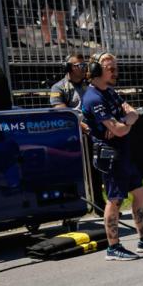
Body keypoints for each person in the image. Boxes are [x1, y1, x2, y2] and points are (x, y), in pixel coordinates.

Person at [80, 53, 143, 260]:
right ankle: (113, 247)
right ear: (97, 71)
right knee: (115, 200)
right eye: (111, 69)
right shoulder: (93, 98)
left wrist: (124, 121)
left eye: (115, 68)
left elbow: (133, 113)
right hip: (110, 156)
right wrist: (125, 123)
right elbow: (119, 129)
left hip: (123, 154)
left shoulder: (110, 91)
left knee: (140, 193)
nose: (116, 72)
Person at [51, 53, 104, 212]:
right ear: (68, 68)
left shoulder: (90, 85)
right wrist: (81, 126)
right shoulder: (58, 87)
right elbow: (62, 112)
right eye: (79, 66)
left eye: (84, 65)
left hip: (91, 134)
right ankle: (72, 208)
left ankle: (99, 204)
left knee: (96, 170)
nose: (83, 69)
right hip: (71, 137)